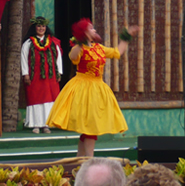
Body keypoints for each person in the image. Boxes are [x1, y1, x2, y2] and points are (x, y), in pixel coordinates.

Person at [46, 18, 139, 157]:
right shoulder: (80, 48)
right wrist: (80, 42)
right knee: (90, 126)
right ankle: (89, 160)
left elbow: (117, 52)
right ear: (84, 33)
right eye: (91, 28)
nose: (94, 30)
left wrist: (127, 36)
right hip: (83, 88)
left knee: (90, 127)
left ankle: (81, 159)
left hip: (97, 88)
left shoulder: (99, 48)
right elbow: (73, 56)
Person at [21, 16, 62, 134]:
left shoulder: (53, 42)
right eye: (38, 26)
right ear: (35, 28)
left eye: (43, 26)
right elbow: (23, 59)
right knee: (35, 99)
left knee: (48, 99)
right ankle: (35, 125)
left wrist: (59, 72)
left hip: (50, 76)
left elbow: (58, 58)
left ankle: (46, 125)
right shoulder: (28, 43)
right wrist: (25, 74)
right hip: (35, 76)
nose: (41, 28)